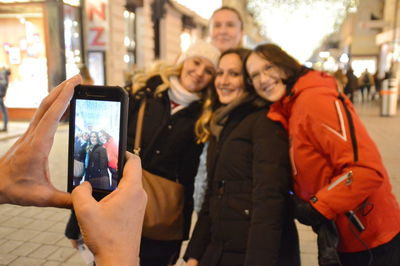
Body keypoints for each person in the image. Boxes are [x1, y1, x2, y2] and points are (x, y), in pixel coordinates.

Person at [66, 40, 220, 265]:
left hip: (161, 213)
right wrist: (76, 221)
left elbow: (189, 179)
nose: (199, 73)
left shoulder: (205, 115)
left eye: (209, 70)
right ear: (183, 61)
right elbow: (100, 160)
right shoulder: (143, 93)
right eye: (196, 62)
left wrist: (179, 234)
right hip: (117, 202)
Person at [245, 43, 400, 266]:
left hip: (371, 238)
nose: (263, 79)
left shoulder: (313, 101)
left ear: (286, 65)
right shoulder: (291, 106)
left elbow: (365, 169)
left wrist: (318, 206)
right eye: (254, 75)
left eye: (268, 67)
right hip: (347, 235)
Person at [0, 74, 147, 265]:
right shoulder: (86, 145)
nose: (95, 138)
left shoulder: (103, 148)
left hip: (101, 178)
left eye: (97, 137)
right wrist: (118, 255)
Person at [184, 48, 300, 266]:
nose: (223, 81)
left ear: (247, 80)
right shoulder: (224, 122)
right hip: (221, 248)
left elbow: (269, 200)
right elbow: (213, 192)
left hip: (252, 251)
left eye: (234, 74)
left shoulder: (264, 122)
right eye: (219, 73)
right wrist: (194, 254)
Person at [193, 6, 245, 214]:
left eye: (230, 25)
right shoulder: (201, 66)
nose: (223, 30)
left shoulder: (251, 65)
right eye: (218, 25)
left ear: (241, 33)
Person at [0, 66, 11, 132]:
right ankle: (5, 126)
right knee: (4, 111)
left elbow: (2, 85)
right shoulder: (5, 76)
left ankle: (5, 126)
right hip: (1, 95)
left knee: (3, 111)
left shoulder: (2, 74)